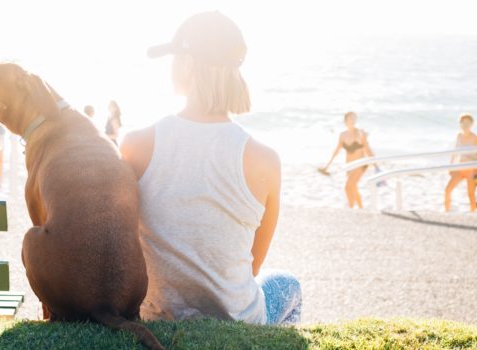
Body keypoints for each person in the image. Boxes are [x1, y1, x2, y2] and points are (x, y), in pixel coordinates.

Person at [120, 12, 300, 325]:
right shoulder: (265, 160)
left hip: (157, 315)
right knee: (288, 285)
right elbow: (252, 268)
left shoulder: (136, 144)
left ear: (188, 64)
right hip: (238, 319)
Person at [319, 112, 374, 209]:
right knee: (352, 187)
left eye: (354, 118)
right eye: (351, 118)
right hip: (349, 165)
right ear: (345, 121)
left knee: (348, 186)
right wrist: (327, 165)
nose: (353, 120)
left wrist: (376, 166)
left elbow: (367, 149)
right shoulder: (342, 135)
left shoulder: (360, 133)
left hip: (360, 164)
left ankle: (354, 208)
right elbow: (336, 151)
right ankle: (357, 208)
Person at [445, 114, 477, 212]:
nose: (465, 125)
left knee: (471, 194)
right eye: (463, 122)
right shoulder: (459, 135)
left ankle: (473, 213)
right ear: (460, 124)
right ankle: (447, 211)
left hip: (471, 170)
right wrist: (450, 167)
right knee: (448, 190)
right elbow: (454, 152)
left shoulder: (476, 138)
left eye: (467, 122)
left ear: (472, 124)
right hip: (459, 168)